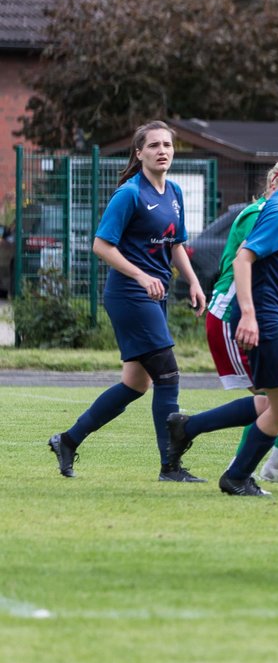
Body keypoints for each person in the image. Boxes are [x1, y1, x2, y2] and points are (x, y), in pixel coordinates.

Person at [47, 121, 208, 481]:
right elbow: (101, 246)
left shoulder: (175, 191)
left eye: (168, 144)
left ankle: (68, 440)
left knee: (136, 384)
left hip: (156, 294)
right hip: (129, 294)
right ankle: (170, 466)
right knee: (167, 374)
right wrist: (140, 274)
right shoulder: (129, 194)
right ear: (139, 153)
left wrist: (194, 282)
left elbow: (176, 244)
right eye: (154, 145)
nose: (162, 150)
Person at [166, 158, 278, 491]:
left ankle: (274, 461)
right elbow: (246, 257)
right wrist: (249, 316)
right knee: (277, 402)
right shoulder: (265, 212)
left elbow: (268, 256)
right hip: (233, 316)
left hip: (258, 314)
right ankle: (239, 469)